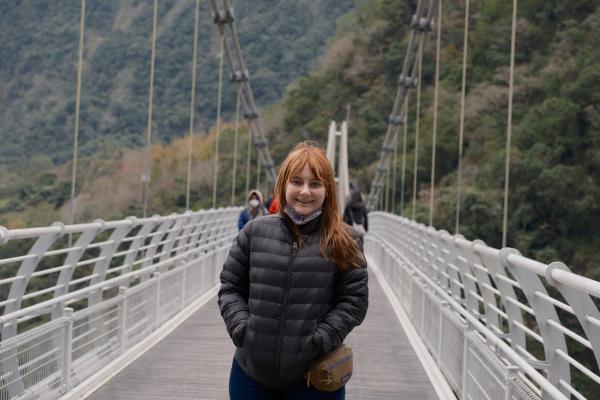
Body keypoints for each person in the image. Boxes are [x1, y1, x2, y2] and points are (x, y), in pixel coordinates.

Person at [219, 142, 369, 399]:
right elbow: (230, 287)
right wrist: (242, 329)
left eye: (315, 184)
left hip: (315, 377)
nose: (305, 192)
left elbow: (354, 302)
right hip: (250, 375)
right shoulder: (254, 232)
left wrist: (320, 340)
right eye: (296, 182)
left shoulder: (345, 240)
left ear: (328, 190)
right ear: (283, 185)